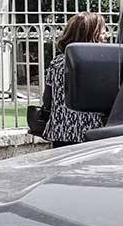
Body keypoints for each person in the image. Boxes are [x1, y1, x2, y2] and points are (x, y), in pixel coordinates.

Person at [42, 12, 108, 148]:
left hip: (61, 133)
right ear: (91, 35)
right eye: (102, 32)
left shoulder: (57, 63)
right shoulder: (102, 64)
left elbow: (47, 99)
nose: (106, 36)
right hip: (92, 134)